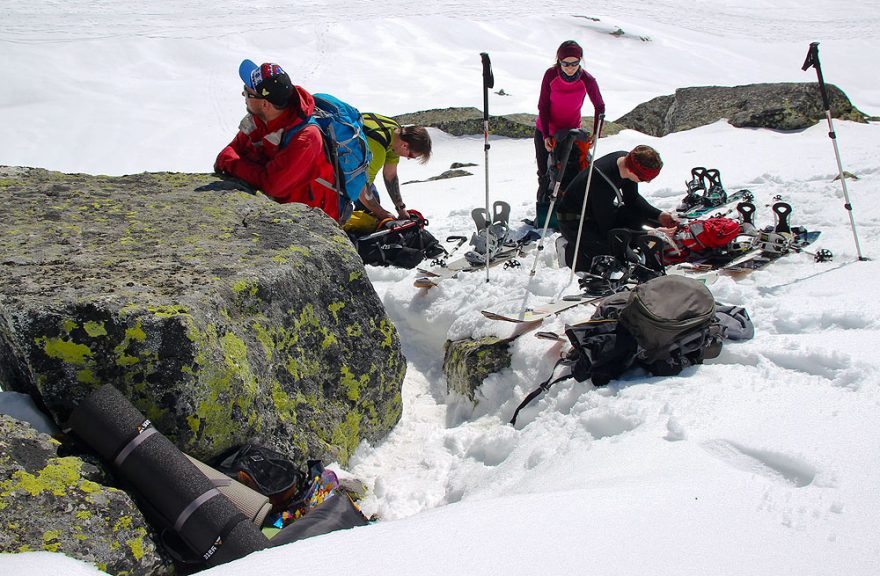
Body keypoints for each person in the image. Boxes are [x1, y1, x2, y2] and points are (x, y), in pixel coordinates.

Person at [214, 61, 341, 221]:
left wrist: (230, 163)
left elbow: (273, 185)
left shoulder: (306, 137)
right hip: (278, 211)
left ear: (265, 104)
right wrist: (233, 160)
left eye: (247, 92)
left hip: (310, 220)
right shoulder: (259, 119)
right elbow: (232, 150)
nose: (243, 96)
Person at [556, 145, 677, 272]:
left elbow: (632, 199)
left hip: (597, 212)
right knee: (624, 260)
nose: (647, 182)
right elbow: (609, 230)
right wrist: (648, 233)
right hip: (575, 222)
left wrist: (659, 215)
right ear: (632, 171)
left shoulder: (627, 160)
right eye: (644, 179)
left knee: (640, 224)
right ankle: (568, 250)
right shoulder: (601, 181)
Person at [534, 40, 605, 228]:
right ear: (559, 61)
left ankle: (569, 215)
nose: (571, 68)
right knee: (545, 173)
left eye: (575, 63)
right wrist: (546, 136)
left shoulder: (587, 79)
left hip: (571, 133)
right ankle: (544, 217)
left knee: (570, 173)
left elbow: (600, 106)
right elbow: (543, 105)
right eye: (566, 63)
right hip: (546, 130)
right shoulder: (550, 75)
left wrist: (596, 134)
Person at [356, 113, 432, 222]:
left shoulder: (394, 132)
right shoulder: (377, 149)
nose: (408, 158)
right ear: (405, 145)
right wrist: (383, 214)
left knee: (373, 198)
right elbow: (361, 188)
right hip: (334, 170)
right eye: (410, 155)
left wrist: (400, 208)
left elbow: (390, 175)